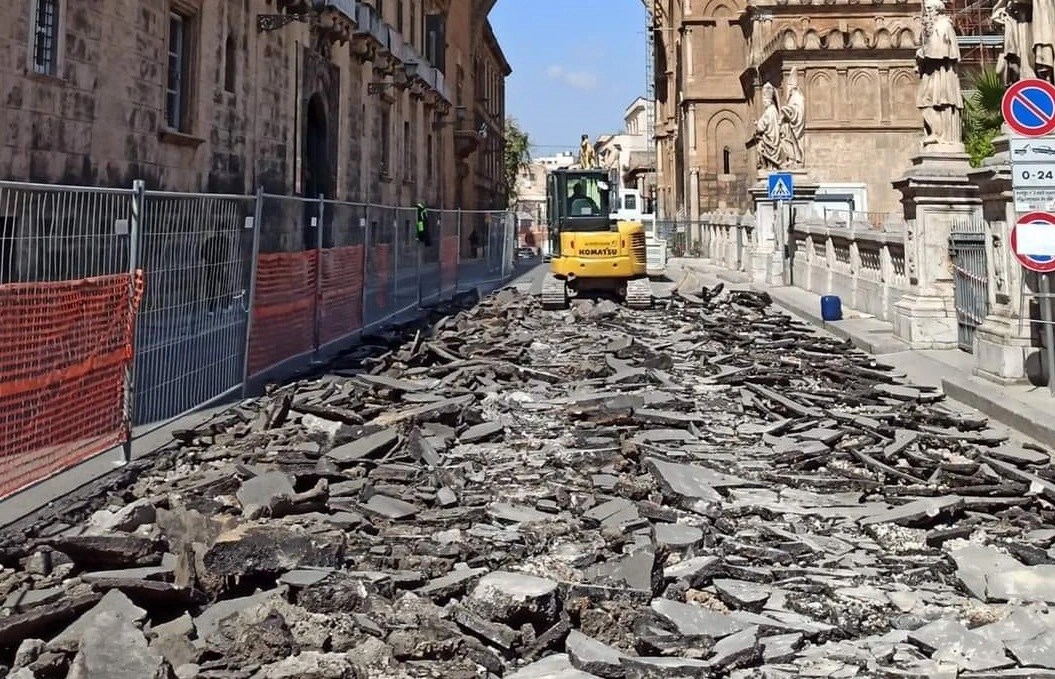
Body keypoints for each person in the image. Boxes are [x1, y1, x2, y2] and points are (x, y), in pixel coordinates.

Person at [199, 227, 231, 315]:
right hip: (220, 266)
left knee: (211, 287)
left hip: (211, 265)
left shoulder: (210, 240)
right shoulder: (226, 241)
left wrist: (207, 261)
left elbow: (203, 253)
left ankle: (211, 309)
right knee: (224, 286)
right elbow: (227, 255)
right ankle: (225, 305)